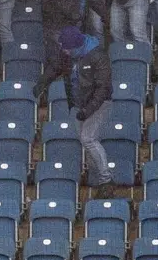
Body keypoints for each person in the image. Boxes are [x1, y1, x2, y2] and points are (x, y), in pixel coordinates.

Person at [41, 27, 115, 197]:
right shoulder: (68, 54)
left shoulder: (98, 56)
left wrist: (88, 110)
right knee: (87, 141)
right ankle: (98, 179)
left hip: (99, 104)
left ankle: (106, 179)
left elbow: (102, 89)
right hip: (79, 104)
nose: (64, 51)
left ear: (75, 47)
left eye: (67, 48)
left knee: (88, 139)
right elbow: (58, 67)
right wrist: (43, 81)